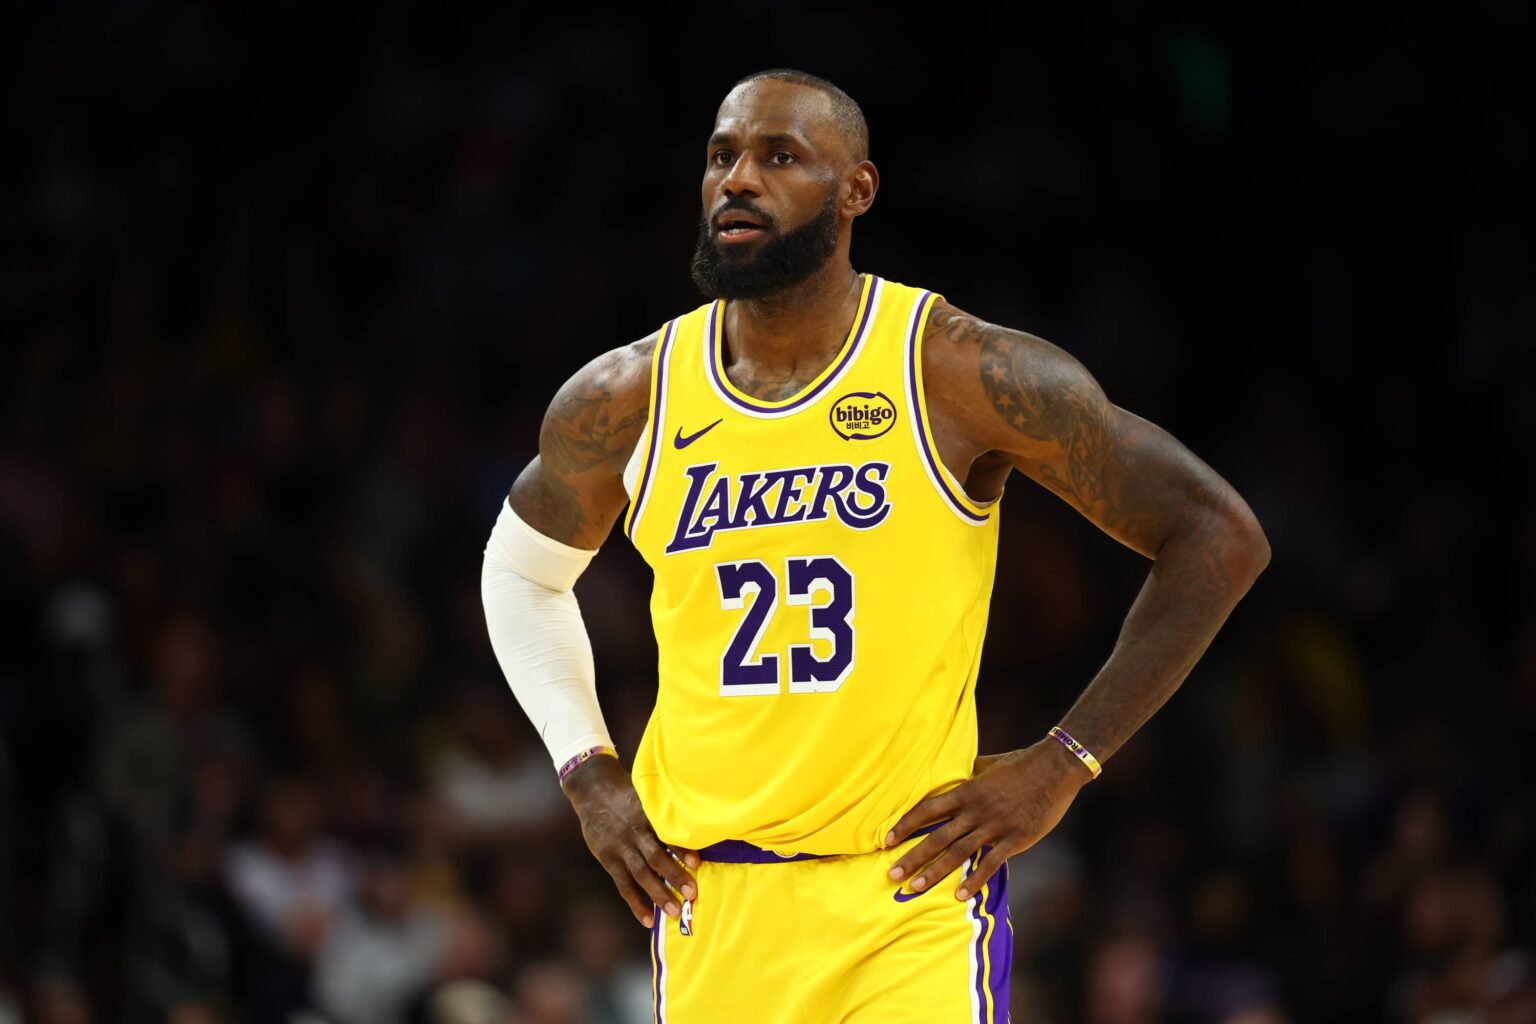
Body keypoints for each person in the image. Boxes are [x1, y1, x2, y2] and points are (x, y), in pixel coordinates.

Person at [481, 67, 1270, 1023]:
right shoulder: (629, 395)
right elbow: (521, 574)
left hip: (907, 896)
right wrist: (586, 770)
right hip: (710, 901)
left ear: (856, 191)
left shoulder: (957, 370)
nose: (738, 179)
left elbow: (1216, 536)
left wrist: (1065, 761)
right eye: (722, 155)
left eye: (779, 156)